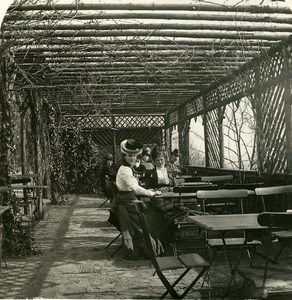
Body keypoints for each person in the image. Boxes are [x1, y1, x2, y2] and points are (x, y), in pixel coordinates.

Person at [115, 139, 170, 260]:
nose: (132, 158)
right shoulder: (125, 170)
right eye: (129, 156)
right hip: (129, 205)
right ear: (124, 156)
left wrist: (150, 192)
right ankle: (151, 248)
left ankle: (159, 245)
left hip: (129, 201)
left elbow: (136, 187)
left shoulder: (127, 168)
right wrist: (152, 194)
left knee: (155, 210)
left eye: (134, 156)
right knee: (157, 214)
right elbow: (135, 189)